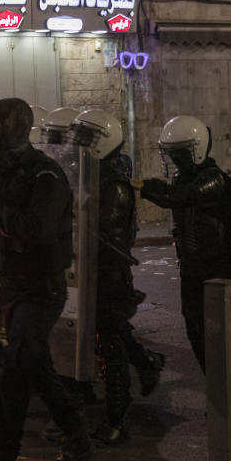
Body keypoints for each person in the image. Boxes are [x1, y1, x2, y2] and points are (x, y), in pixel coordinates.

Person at [0, 98, 93, 461]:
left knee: (14, 378)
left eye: (3, 124)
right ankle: (77, 434)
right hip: (13, 291)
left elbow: (35, 230)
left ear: (23, 128)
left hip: (42, 291)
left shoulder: (45, 174)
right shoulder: (1, 172)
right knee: (35, 366)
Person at [134, 115, 231, 418]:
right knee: (197, 334)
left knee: (217, 336)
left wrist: (145, 186)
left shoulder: (216, 181)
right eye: (171, 152)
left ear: (196, 149)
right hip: (193, 270)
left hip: (221, 273)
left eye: (180, 152)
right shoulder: (184, 180)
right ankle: (224, 391)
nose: (175, 158)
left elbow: (180, 198)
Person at [66, 109, 164, 444]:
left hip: (107, 274)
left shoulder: (113, 186)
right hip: (89, 272)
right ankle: (148, 363)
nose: (78, 144)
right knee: (113, 332)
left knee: (109, 344)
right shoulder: (88, 176)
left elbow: (102, 234)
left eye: (86, 138)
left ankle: (117, 418)